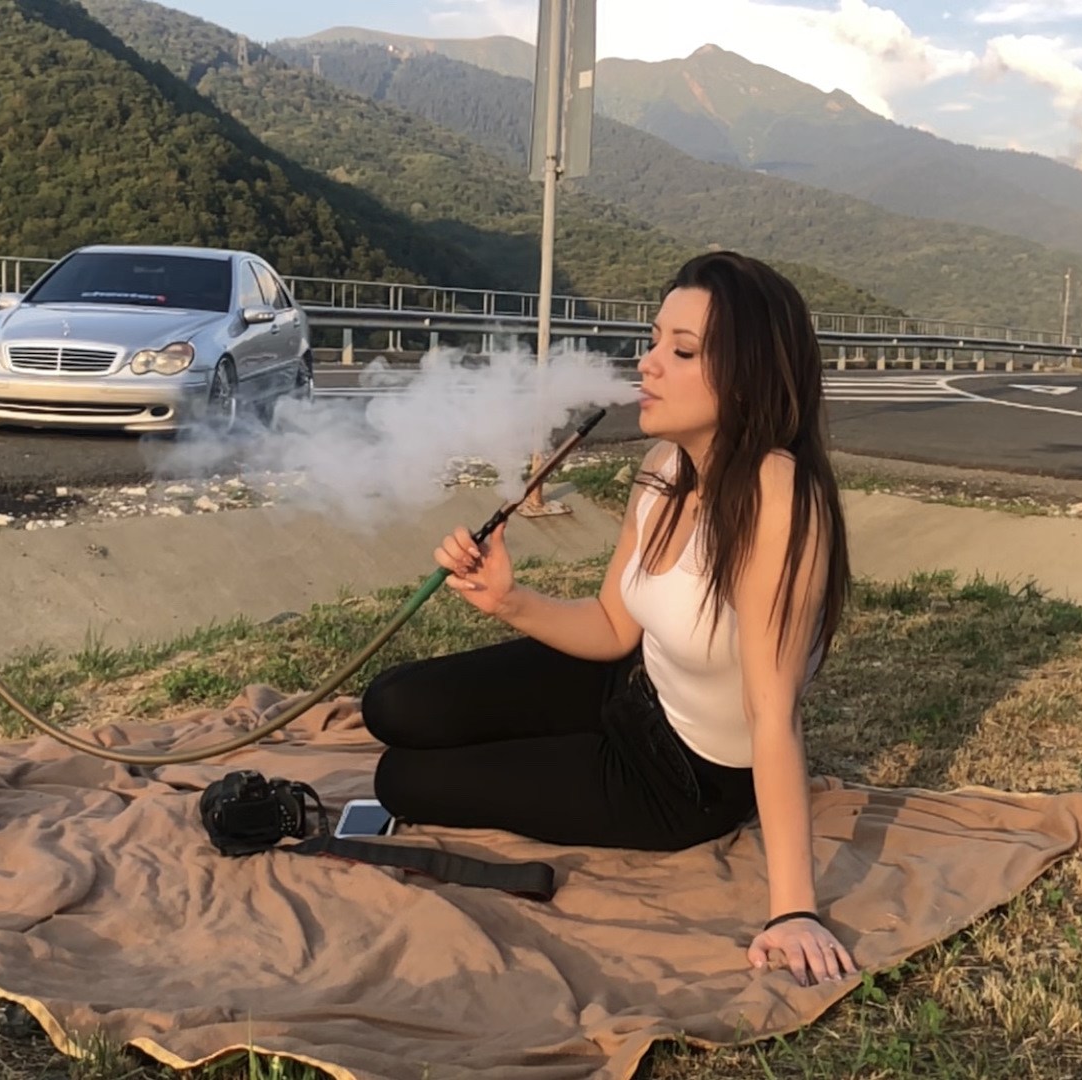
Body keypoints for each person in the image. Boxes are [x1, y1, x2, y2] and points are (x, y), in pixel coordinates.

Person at [361, 250, 856, 988]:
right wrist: (507, 600)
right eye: (654, 341)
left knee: (401, 780)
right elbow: (613, 628)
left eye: (682, 351)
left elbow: (772, 711)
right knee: (392, 702)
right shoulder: (662, 467)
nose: (648, 363)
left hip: (676, 778)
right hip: (627, 683)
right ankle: (557, 740)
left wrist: (793, 909)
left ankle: (562, 757)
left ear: (746, 376)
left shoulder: (778, 496)